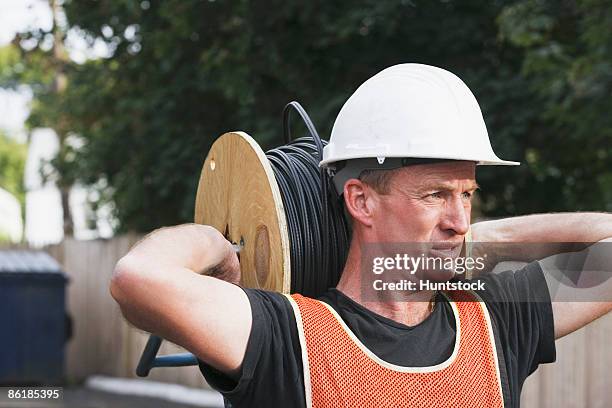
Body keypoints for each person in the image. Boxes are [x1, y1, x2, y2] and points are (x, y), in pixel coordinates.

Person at [110, 64, 612, 408]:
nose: (458, 216)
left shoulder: (498, 318)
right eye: (435, 195)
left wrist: (480, 237)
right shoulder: (287, 338)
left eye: (468, 194)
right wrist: (218, 242)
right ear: (360, 201)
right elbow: (137, 279)